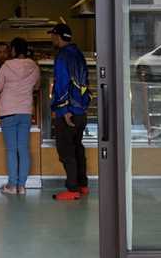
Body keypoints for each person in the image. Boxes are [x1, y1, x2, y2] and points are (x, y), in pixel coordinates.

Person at [48, 23, 91, 201]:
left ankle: (72, 189)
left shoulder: (63, 56)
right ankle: (82, 185)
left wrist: (63, 109)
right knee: (78, 148)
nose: (52, 38)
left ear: (58, 37)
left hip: (68, 112)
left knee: (66, 150)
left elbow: (62, 84)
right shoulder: (79, 54)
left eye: (53, 35)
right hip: (81, 110)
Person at [0, 37, 40, 195]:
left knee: (12, 150)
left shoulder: (7, 66)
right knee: (23, 149)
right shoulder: (33, 66)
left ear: (13, 50)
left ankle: (12, 185)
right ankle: (22, 186)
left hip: (8, 111)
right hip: (25, 111)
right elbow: (38, 86)